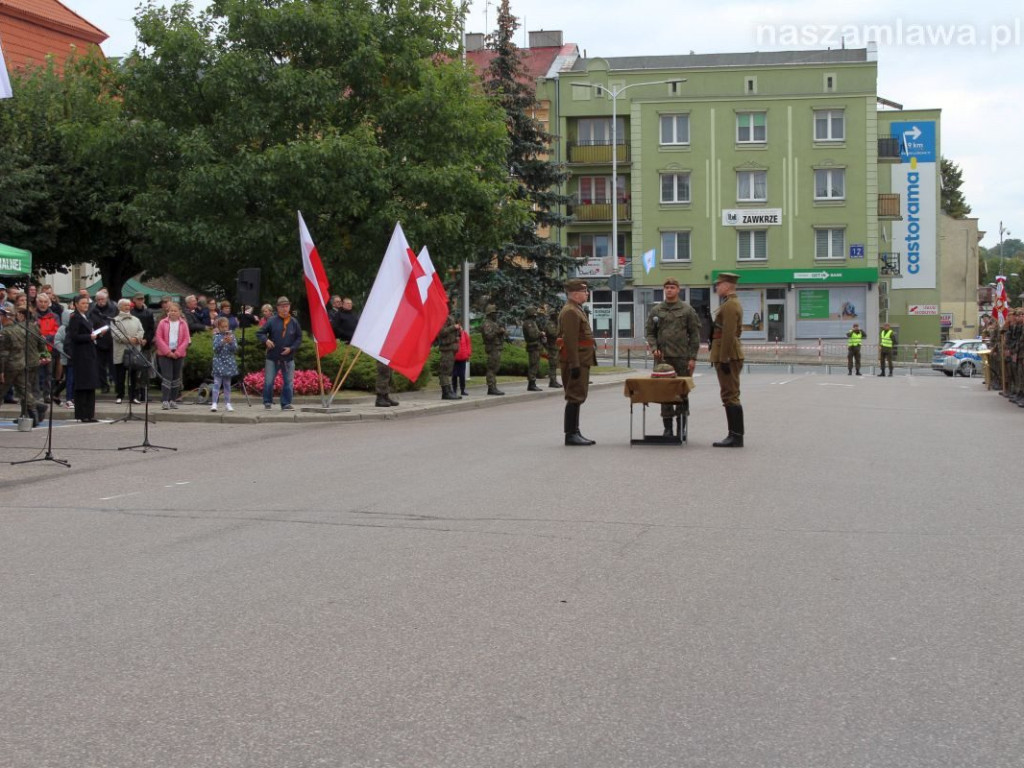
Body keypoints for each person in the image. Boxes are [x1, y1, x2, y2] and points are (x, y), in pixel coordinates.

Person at [645, 277, 701, 437]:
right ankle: (667, 428)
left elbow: (694, 335)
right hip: (663, 360)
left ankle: (681, 428)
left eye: (672, 287)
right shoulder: (657, 310)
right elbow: (650, 332)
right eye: (667, 287)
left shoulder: (687, 310)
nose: (669, 290)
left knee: (682, 392)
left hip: (682, 358)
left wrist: (692, 358)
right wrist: (654, 348)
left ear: (678, 290)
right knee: (665, 393)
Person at [558, 279, 597, 446]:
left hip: (581, 359)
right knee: (574, 396)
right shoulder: (571, 312)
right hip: (576, 361)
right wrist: (574, 364)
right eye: (584, 291)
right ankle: (571, 434)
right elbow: (571, 340)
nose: (587, 294)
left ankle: (575, 430)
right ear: (575, 294)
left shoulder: (576, 309)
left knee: (578, 396)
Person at [710, 272, 745, 447]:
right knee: (729, 394)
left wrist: (724, 358)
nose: (716, 287)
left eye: (719, 284)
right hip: (729, 354)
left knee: (730, 395)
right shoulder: (729, 303)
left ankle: (736, 436)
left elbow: (729, 333)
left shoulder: (730, 305)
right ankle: (734, 434)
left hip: (729, 355)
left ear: (727, 285)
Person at [0, 307, 48, 426]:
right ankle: (32, 413)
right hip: (23, 363)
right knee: (24, 389)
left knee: (5, 389)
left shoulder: (7, 331)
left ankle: (31, 411)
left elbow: (3, 353)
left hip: (11, 365)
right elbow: (40, 343)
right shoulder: (24, 329)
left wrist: (1, 370)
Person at [256, 296, 302, 410]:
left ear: (289, 307)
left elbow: (299, 337)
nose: (285, 309)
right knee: (269, 381)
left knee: (288, 382)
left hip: (288, 358)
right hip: (272, 357)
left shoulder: (294, 322)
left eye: (287, 306)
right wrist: (266, 340)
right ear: (278, 308)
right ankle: (267, 401)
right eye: (282, 306)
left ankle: (286, 403)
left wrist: (291, 348)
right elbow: (260, 333)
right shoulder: (271, 321)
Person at [67, 294, 105, 422]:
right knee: (83, 385)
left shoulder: (88, 317)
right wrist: (89, 337)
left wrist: (98, 335)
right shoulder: (75, 318)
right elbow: (74, 336)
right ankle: (82, 414)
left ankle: (90, 413)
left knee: (90, 384)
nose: (85, 306)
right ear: (76, 304)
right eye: (83, 303)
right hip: (81, 355)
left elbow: (91, 333)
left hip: (90, 353)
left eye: (87, 303)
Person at [154, 301, 191, 410]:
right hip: (165, 354)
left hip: (178, 354)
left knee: (176, 378)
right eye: (170, 311)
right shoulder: (162, 323)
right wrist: (168, 352)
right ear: (167, 312)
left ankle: (173, 400)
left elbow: (186, 339)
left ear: (179, 312)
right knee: (167, 377)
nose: (173, 313)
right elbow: (159, 338)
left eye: (175, 311)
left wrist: (178, 352)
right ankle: (165, 400)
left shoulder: (183, 323)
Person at [110, 298, 145, 405]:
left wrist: (136, 338)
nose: (127, 307)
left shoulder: (136, 319)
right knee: (120, 375)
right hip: (121, 351)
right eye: (125, 305)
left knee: (133, 376)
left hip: (134, 351)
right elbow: (116, 334)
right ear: (120, 307)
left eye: (128, 305)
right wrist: (129, 339)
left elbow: (141, 330)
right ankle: (119, 395)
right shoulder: (114, 320)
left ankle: (133, 396)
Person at [87, 289, 117, 392]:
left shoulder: (114, 308)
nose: (100, 301)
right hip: (98, 341)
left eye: (102, 299)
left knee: (113, 364)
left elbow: (116, 321)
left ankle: (117, 384)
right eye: (98, 299)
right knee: (100, 366)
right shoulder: (92, 310)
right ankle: (103, 385)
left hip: (112, 340)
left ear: (107, 299)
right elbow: (89, 323)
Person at [130, 293, 156, 403]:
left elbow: (151, 328)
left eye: (142, 299)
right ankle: (135, 393)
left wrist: (146, 339)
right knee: (136, 370)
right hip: (135, 344)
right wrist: (138, 338)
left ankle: (144, 392)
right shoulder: (131, 313)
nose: (140, 301)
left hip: (146, 344)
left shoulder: (148, 312)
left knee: (146, 369)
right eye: (138, 299)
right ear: (134, 300)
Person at [210, 316, 238, 412]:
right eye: (222, 327)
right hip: (219, 362)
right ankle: (214, 403)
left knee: (227, 384)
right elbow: (215, 349)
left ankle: (228, 403)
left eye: (226, 326)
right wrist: (222, 342)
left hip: (229, 362)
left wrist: (231, 343)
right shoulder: (216, 337)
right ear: (219, 327)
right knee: (217, 383)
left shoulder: (232, 336)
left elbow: (235, 349)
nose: (225, 329)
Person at [436, 308, 461, 400]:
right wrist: (453, 327)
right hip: (446, 348)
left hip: (451, 348)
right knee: (445, 371)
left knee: (448, 371)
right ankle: (446, 392)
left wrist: (457, 334)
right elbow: (441, 332)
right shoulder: (443, 318)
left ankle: (449, 390)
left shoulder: (450, 317)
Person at [481, 303, 506, 396]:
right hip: (492, 348)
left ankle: (493, 386)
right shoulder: (487, 324)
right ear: (490, 314)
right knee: (492, 368)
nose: (496, 315)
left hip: (497, 347)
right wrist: (498, 331)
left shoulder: (494, 323)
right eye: (494, 313)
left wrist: (502, 332)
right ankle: (491, 387)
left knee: (495, 367)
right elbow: (488, 336)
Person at [522, 307, 545, 392]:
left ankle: (532, 383)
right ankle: (531, 384)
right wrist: (540, 333)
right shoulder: (528, 323)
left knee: (535, 365)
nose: (535, 316)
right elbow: (532, 335)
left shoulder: (532, 322)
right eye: (534, 314)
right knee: (533, 365)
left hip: (536, 346)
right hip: (533, 346)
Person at [543, 305, 562, 388]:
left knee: (554, 365)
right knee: (552, 365)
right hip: (552, 346)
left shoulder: (555, 323)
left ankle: (554, 381)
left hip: (555, 346)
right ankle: (552, 381)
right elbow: (553, 334)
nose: (557, 316)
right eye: (556, 315)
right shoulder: (550, 324)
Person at [453, 322, 471, 396]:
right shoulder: (453, 335)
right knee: (454, 375)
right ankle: (454, 390)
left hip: (463, 357)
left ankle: (462, 390)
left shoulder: (464, 334)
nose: (459, 328)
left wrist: (468, 354)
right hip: (454, 358)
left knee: (462, 375)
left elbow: (468, 344)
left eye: (460, 327)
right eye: (458, 327)